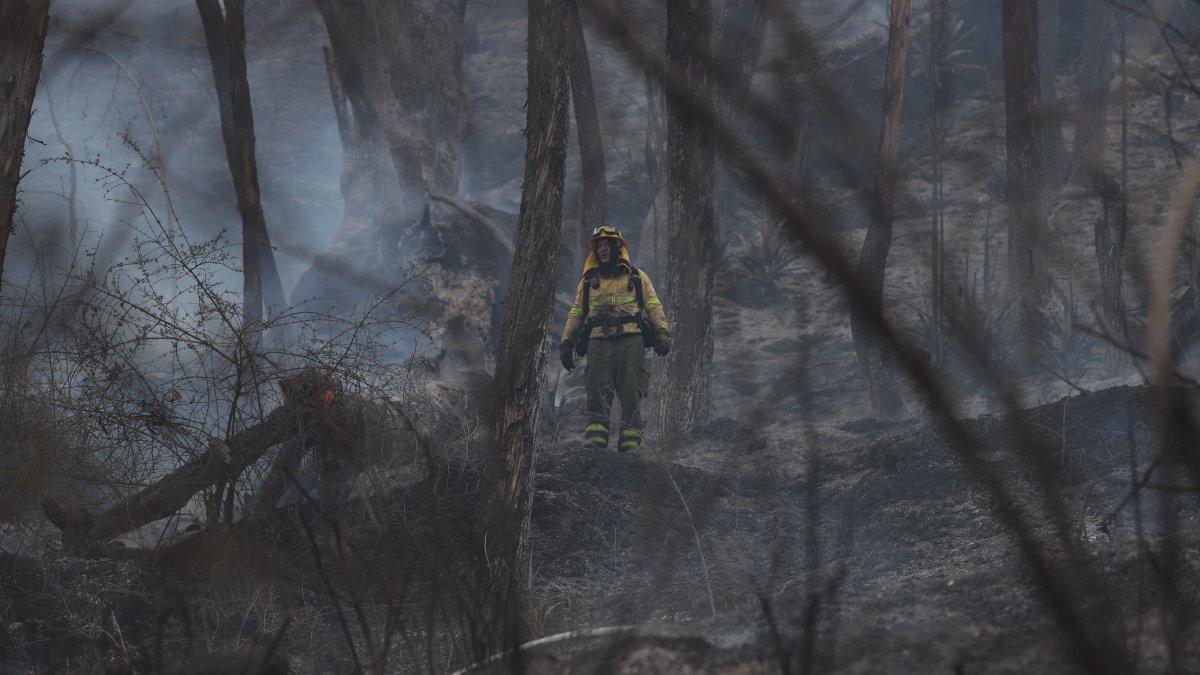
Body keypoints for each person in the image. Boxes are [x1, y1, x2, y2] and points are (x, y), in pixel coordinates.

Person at [559, 225, 670, 453]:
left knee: (631, 393)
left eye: (606, 244)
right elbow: (576, 312)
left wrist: (662, 332)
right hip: (598, 344)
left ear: (617, 246)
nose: (603, 249)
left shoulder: (637, 277)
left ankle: (629, 449)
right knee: (597, 394)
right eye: (598, 245)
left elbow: (653, 305)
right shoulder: (588, 281)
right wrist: (566, 343)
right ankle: (595, 447)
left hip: (632, 342)